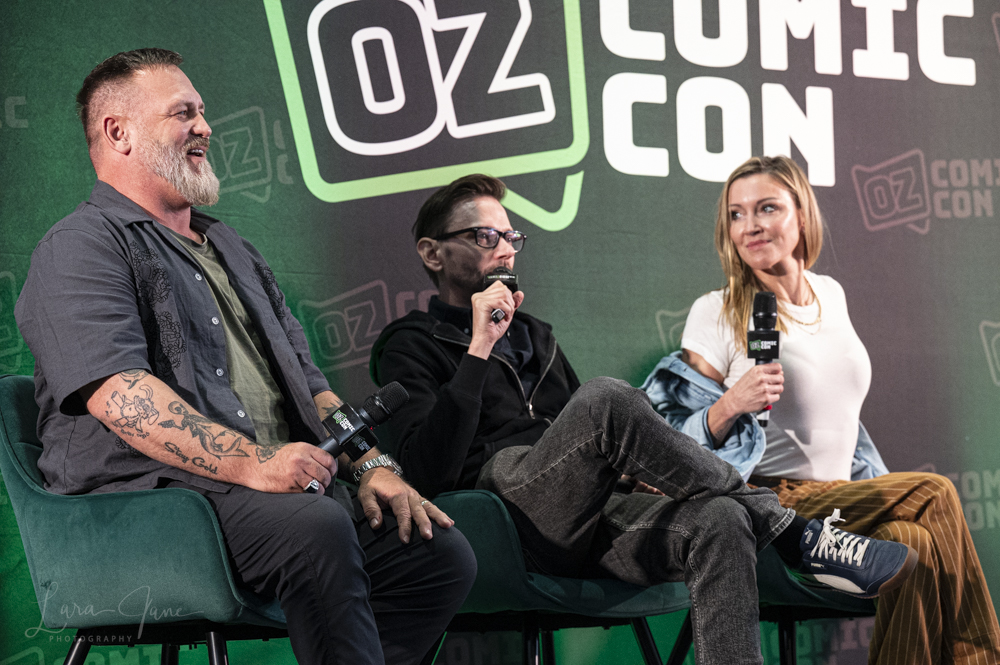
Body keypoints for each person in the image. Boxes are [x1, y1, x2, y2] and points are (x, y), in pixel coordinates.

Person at [14, 48, 476, 665]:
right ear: (118, 132)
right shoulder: (80, 246)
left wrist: (372, 465)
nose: (205, 127)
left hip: (269, 497)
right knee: (315, 528)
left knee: (437, 554)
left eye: (203, 112)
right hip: (149, 506)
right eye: (183, 113)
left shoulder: (231, 246)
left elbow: (310, 384)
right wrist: (255, 462)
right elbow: (120, 396)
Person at [370, 174, 916, 665]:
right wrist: (478, 349)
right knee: (606, 399)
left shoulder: (536, 335)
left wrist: (638, 471)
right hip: (501, 518)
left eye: (511, 236)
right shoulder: (409, 343)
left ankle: (784, 542)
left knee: (722, 518)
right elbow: (426, 470)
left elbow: (579, 441)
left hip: (587, 516)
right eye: (485, 236)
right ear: (433, 253)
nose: (506, 248)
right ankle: (797, 536)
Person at [642, 155, 1000, 665]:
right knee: (934, 492)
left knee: (911, 543)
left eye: (767, 208)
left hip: (844, 497)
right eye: (737, 214)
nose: (751, 225)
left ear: (802, 215)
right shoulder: (716, 310)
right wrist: (730, 404)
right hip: (773, 506)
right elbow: (667, 442)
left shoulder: (830, 294)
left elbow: (843, 422)